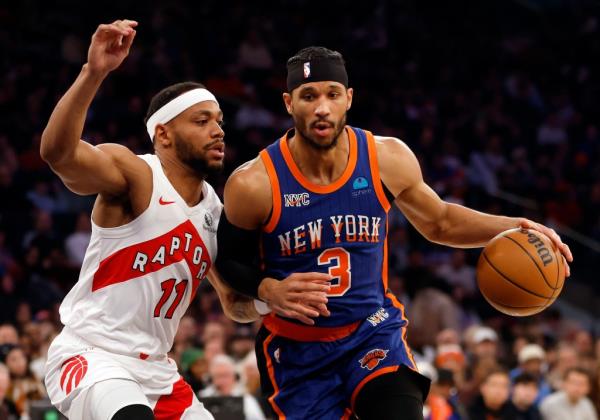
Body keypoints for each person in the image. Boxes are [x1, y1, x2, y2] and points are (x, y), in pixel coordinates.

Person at [215, 46, 573, 419]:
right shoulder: (254, 182)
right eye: (308, 96)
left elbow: (441, 222)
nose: (322, 107)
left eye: (332, 94)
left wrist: (516, 225)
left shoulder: (385, 157)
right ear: (289, 103)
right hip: (297, 350)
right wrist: (268, 289)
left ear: (348, 99)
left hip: (372, 332)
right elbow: (228, 260)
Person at [40, 19, 260, 420]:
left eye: (220, 121)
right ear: (163, 134)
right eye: (202, 121)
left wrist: (273, 299)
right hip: (94, 356)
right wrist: (93, 73)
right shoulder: (135, 174)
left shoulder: (215, 211)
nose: (217, 131)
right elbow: (59, 154)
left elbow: (234, 303)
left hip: (156, 371)